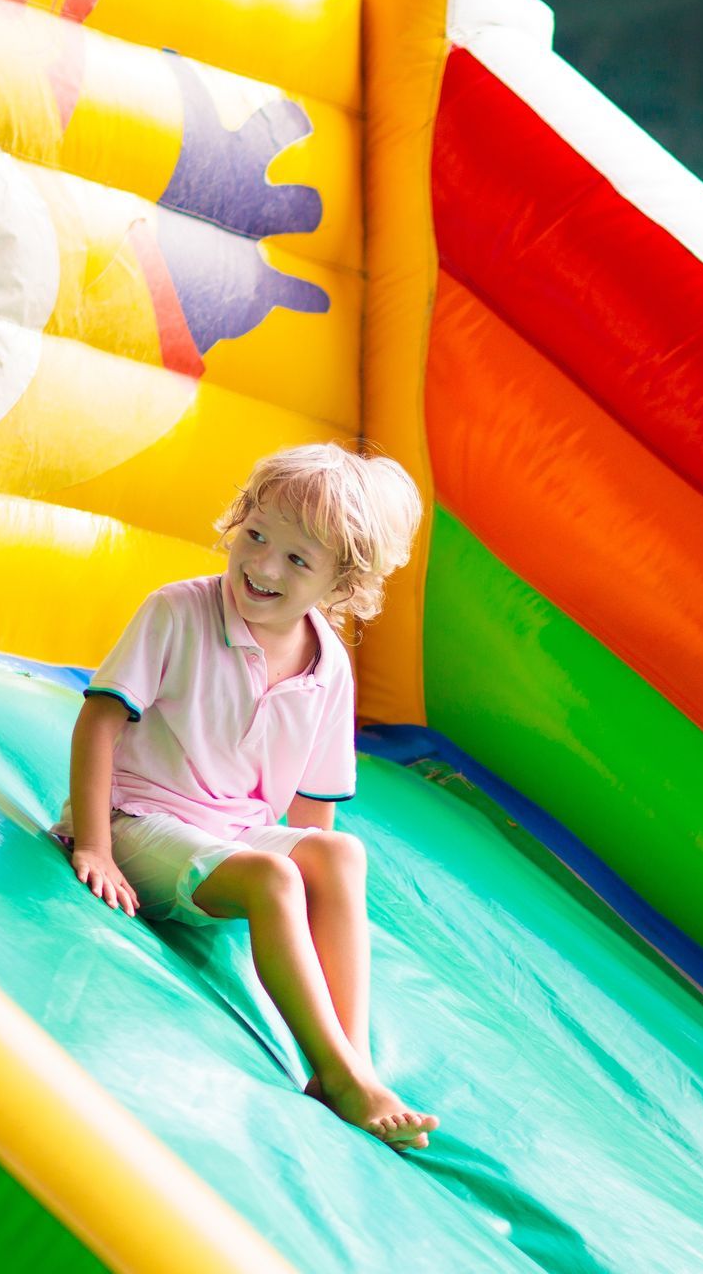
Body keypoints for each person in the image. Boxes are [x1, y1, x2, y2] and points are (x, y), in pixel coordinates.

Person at [52, 442, 438, 1150]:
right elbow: (97, 725)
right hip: (137, 820)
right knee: (272, 876)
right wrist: (94, 845)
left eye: (296, 560)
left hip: (224, 840)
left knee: (340, 855)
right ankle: (341, 1070)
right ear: (237, 523)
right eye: (256, 537)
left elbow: (314, 823)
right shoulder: (178, 611)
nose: (262, 567)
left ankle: (346, 1064)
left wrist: (316, 874)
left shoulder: (330, 666)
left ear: (339, 581)